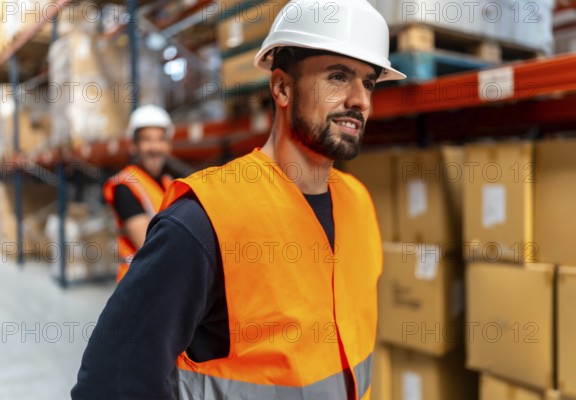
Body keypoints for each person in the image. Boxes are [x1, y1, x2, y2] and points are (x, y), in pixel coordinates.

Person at [72, 0, 406, 398]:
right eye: (338, 77)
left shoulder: (359, 205)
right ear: (282, 87)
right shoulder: (206, 219)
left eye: (368, 82)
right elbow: (109, 384)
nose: (360, 100)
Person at [103, 104, 175, 282]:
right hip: (139, 287)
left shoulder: (170, 183)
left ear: (168, 145)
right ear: (134, 146)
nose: (154, 147)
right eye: (146, 140)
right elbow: (149, 246)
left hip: (166, 283)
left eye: (160, 139)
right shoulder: (125, 186)